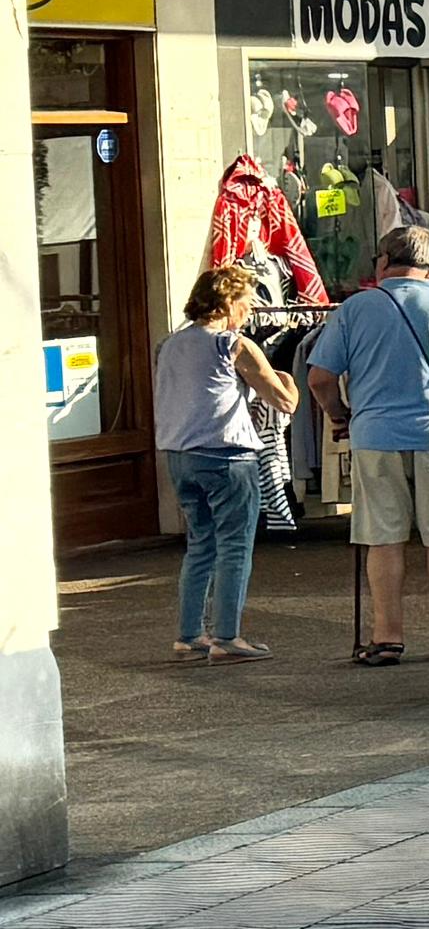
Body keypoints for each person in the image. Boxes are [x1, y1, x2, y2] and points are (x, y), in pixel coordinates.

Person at [306, 223, 429, 669]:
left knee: (383, 539)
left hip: (375, 434)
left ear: (382, 262)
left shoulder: (356, 309)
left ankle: (387, 636)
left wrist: (340, 414)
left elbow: (319, 377)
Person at [154, 268, 294, 664]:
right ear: (228, 303)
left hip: (180, 456)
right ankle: (227, 636)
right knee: (235, 546)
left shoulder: (169, 345)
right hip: (227, 456)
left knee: (200, 545)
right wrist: (288, 380)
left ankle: (189, 634)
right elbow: (284, 401)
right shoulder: (233, 345)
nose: (249, 313)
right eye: (247, 303)